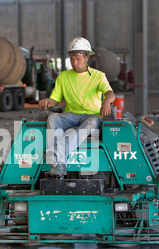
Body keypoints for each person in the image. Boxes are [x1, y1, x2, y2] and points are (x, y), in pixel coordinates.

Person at [38, 37, 115, 177]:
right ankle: (59, 164)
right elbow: (55, 99)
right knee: (53, 118)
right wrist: (48, 101)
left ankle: (54, 152)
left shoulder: (98, 76)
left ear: (86, 57)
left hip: (92, 116)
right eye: (72, 59)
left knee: (89, 124)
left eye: (78, 59)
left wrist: (107, 102)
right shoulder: (63, 77)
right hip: (71, 115)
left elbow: (110, 93)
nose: (74, 62)